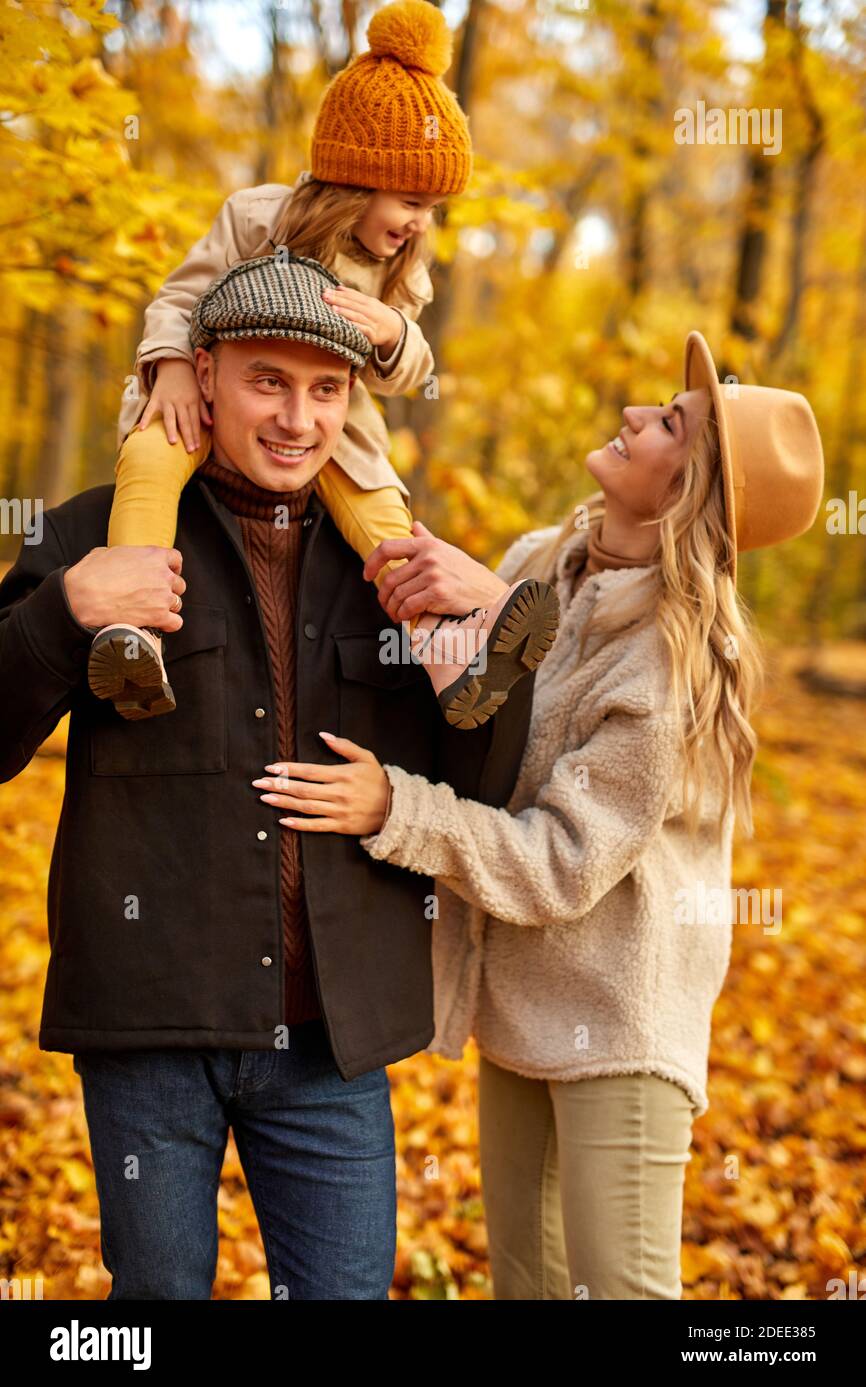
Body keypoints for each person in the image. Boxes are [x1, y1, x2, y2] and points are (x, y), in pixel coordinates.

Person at [0, 254, 535, 1300]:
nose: (298, 418)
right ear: (202, 373)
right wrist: (63, 609)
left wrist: (487, 630)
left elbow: (490, 779)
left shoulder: (395, 565)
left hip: (334, 1044)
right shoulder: (96, 529)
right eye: (267, 381)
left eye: (326, 389)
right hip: (149, 1027)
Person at [254, 330, 825, 1299]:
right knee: (526, 1282)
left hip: (620, 1022)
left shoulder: (666, 665)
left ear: (685, 491)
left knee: (621, 1289)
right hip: (520, 1006)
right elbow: (502, 730)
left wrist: (394, 808)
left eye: (666, 426)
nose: (634, 415)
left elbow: (558, 859)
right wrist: (469, 606)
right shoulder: (542, 563)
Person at [89, 0, 559, 727]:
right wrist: (173, 367)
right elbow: (180, 297)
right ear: (355, 178)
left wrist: (394, 335)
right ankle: (132, 634)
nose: (418, 225)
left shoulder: (404, 273)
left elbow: (410, 369)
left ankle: (444, 651)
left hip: (328, 421)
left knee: (380, 512)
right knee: (150, 461)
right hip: (214, 395)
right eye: (410, 201)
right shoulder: (258, 218)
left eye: (433, 209)